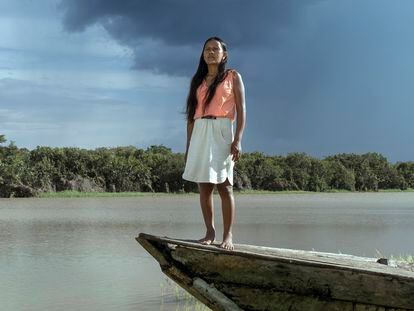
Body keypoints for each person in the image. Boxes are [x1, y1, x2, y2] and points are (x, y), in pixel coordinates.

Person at [182, 37, 246, 250]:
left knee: (225, 186)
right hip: (200, 130)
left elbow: (242, 109)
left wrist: (238, 139)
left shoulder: (232, 77)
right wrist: (188, 146)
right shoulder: (197, 81)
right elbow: (191, 116)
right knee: (204, 187)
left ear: (223, 55)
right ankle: (210, 232)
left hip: (222, 130)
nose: (211, 52)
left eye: (215, 49)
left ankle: (228, 235)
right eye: (207, 49)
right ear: (202, 54)